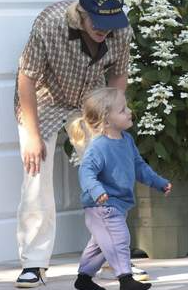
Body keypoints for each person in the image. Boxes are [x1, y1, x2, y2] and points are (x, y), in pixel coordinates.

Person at [14, 0, 132, 288]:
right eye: (98, 22)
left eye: (110, 23)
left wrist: (112, 122)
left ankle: (110, 258)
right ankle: (34, 264)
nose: (104, 29)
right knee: (37, 175)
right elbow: (26, 79)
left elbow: (118, 74)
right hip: (44, 99)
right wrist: (31, 134)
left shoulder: (120, 29)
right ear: (81, 13)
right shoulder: (49, 25)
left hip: (90, 100)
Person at [68, 88, 172, 290]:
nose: (129, 111)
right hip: (103, 205)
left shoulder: (126, 140)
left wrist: (158, 182)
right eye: (122, 110)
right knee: (119, 238)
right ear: (106, 121)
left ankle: (83, 280)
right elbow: (86, 172)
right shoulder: (99, 146)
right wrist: (97, 191)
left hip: (117, 203)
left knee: (100, 245)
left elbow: (139, 166)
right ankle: (125, 279)